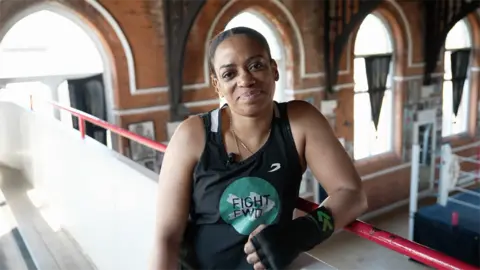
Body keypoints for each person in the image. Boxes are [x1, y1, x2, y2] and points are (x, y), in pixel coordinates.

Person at [150, 26, 368, 270]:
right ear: (217, 85)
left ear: (274, 69)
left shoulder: (299, 121)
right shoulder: (193, 135)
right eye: (229, 74)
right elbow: (167, 237)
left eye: (256, 65)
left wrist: (300, 234)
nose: (245, 80)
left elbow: (352, 194)